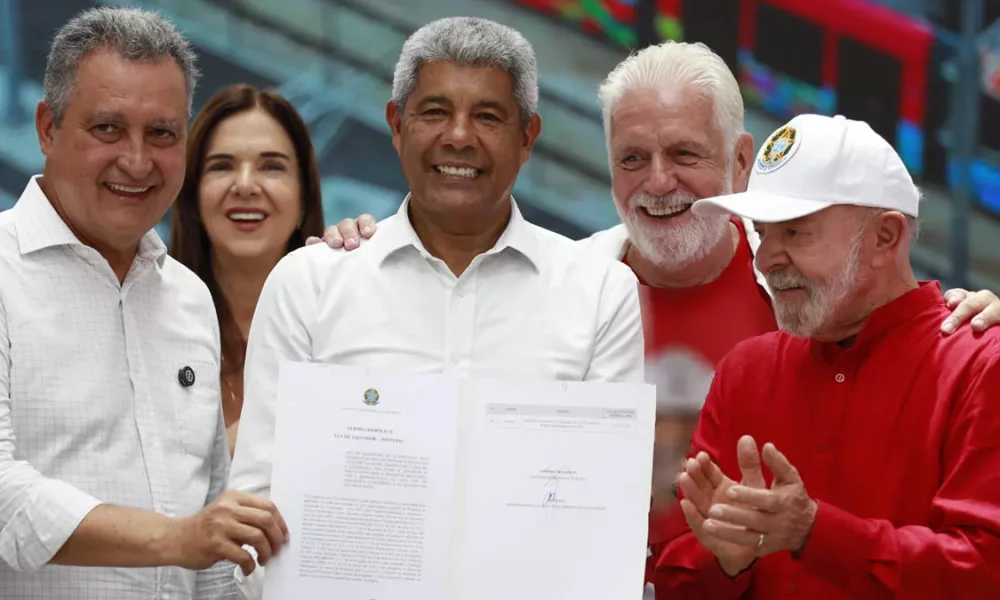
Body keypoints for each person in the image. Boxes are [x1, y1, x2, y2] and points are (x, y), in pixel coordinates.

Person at [321, 40, 1000, 595]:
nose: (657, 183)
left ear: (739, 162)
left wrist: (804, 533)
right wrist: (351, 252)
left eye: (683, 154)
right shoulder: (557, 290)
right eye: (632, 160)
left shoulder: (961, 349)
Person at [227, 16, 644, 599]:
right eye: (434, 111)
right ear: (396, 125)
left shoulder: (600, 294)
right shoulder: (311, 284)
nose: (459, 137)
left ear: (528, 138)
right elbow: (254, 515)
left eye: (489, 117)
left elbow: (602, 517)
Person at [0, 8, 286, 599]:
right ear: (47, 128)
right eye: (107, 128)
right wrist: (177, 538)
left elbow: (211, 541)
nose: (137, 161)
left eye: (162, 134)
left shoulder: (188, 299)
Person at [658, 113, 1000, 598]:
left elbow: (984, 573)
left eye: (794, 232)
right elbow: (676, 578)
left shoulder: (981, 365)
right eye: (762, 232)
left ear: (885, 237)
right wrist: (724, 560)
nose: (765, 258)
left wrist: (814, 533)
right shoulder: (744, 370)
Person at [169, 84, 326, 456]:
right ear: (192, 196)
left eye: (272, 167)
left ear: (304, 199)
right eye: (221, 166)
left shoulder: (346, 322)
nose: (244, 185)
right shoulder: (143, 321)